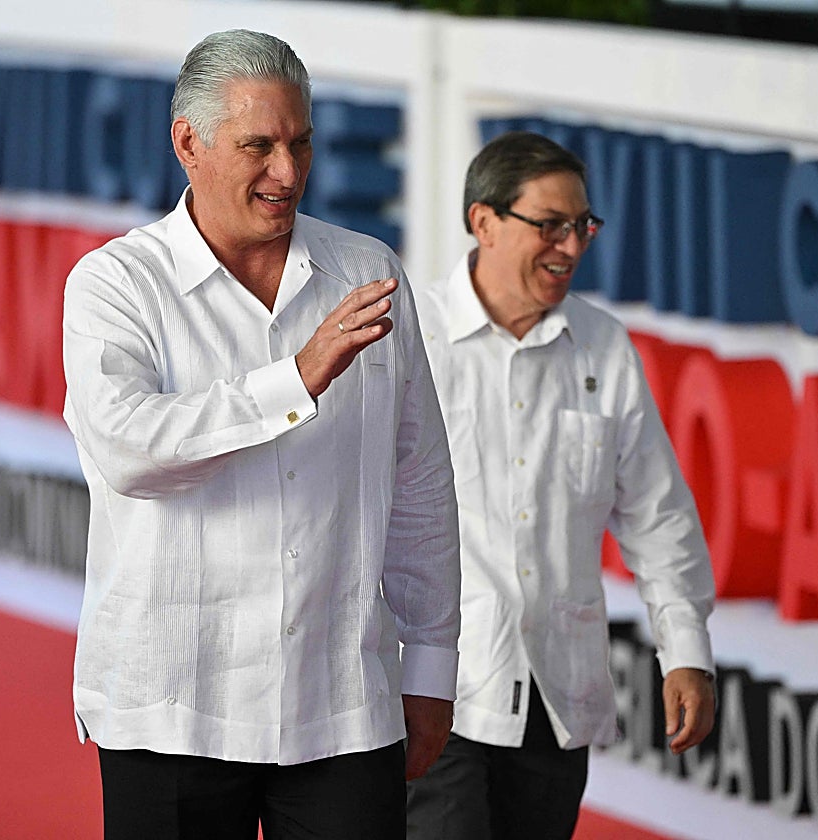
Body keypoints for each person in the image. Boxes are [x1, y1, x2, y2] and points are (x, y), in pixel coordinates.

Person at [61, 29, 461, 840]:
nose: (288, 172)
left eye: (300, 143)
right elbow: (129, 451)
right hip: (171, 707)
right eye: (259, 145)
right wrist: (295, 380)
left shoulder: (367, 272)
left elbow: (420, 481)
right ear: (189, 145)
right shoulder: (115, 284)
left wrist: (432, 667)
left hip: (341, 706)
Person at [406, 131, 717, 840]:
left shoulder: (604, 346)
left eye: (582, 226)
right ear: (482, 221)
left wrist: (687, 652)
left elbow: (657, 514)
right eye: (549, 224)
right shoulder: (410, 335)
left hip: (556, 701)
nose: (571, 247)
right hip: (432, 693)